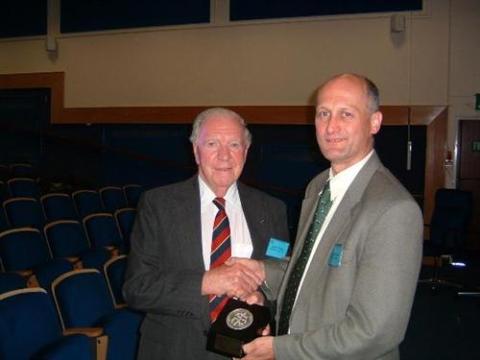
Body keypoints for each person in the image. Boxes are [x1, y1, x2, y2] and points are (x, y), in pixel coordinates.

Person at [234, 73, 423, 359]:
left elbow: (374, 332)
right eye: (323, 113)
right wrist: (262, 271)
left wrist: (281, 349)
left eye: (346, 114)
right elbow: (312, 267)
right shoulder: (318, 186)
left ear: (375, 122)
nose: (331, 126)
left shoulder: (393, 209)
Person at [123, 107, 290, 360]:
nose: (224, 155)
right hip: (173, 351)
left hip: (245, 351)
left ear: (245, 152)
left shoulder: (273, 209)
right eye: (212, 143)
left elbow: (284, 278)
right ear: (195, 151)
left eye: (234, 144)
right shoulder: (159, 204)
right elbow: (137, 288)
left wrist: (263, 301)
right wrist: (207, 282)